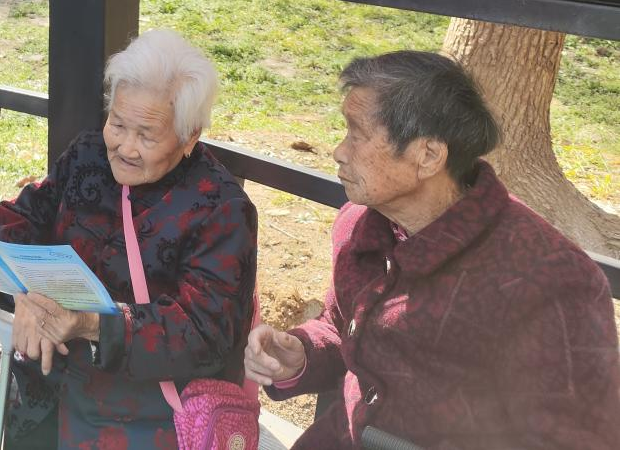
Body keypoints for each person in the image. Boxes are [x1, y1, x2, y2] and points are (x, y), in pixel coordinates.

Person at [244, 50, 620, 449]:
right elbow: (345, 327)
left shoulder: (550, 281)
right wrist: (300, 355)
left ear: (428, 155)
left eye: (356, 134)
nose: (339, 151)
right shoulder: (360, 226)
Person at [0, 28, 258, 450]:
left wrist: (93, 325)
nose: (125, 147)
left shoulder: (221, 209)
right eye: (117, 124)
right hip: (39, 375)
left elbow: (207, 332)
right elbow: (19, 219)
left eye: (147, 135)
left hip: (140, 406)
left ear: (190, 137)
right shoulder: (87, 156)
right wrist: (28, 295)